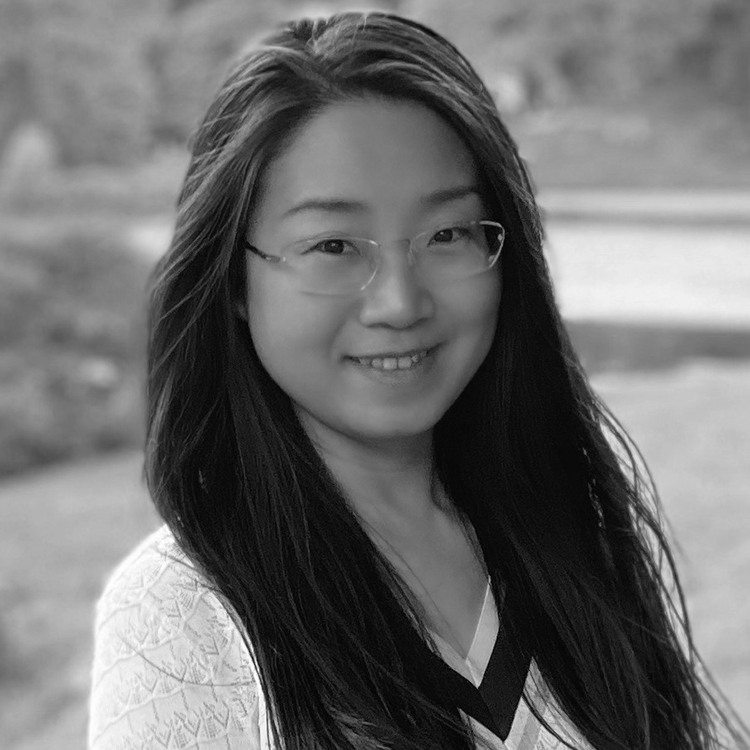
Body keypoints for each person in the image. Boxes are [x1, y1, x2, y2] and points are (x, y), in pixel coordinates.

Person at [87, 11, 747, 750]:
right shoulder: (181, 615)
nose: (400, 302)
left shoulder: (567, 530)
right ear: (235, 280)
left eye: (448, 235)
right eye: (333, 245)